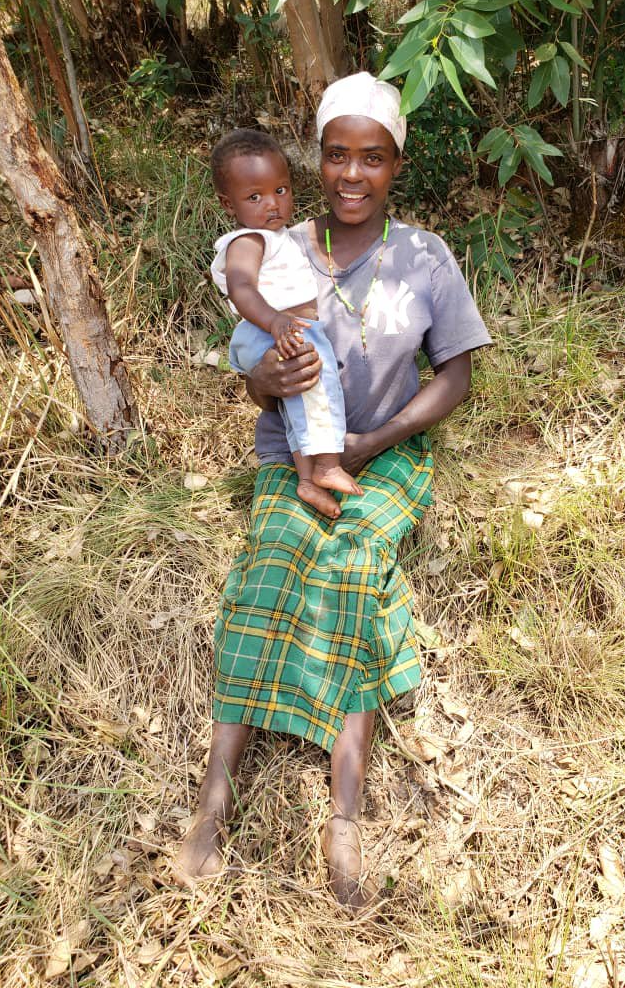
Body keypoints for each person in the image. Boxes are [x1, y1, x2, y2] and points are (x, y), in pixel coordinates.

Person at [175, 72, 492, 911]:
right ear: (317, 159)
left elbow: (456, 377)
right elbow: (254, 369)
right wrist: (267, 380)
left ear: (396, 165)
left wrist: (376, 439)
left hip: (387, 455)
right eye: (338, 155)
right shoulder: (276, 238)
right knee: (273, 559)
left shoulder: (425, 256)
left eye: (373, 158)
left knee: (352, 563)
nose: (353, 174)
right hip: (292, 452)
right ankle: (214, 802)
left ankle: (343, 818)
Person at [211, 128, 362, 519]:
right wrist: (275, 321)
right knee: (316, 379)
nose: (272, 204)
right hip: (273, 327)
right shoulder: (248, 240)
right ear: (228, 204)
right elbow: (241, 287)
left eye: (280, 190)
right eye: (255, 197)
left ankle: (307, 479)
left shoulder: (277, 237)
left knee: (297, 399)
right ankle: (327, 463)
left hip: (278, 326)